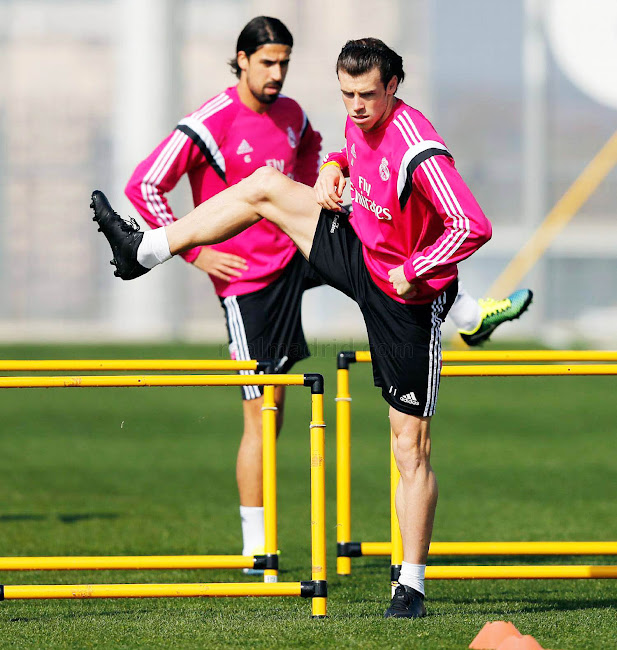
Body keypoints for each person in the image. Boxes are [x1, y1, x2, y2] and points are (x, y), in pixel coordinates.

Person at [91, 37, 494, 617]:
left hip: (406, 298)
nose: (356, 106)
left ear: (393, 87)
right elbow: (349, 150)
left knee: (409, 447)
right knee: (264, 186)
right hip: (360, 254)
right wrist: (332, 167)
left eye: (367, 95)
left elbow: (471, 224)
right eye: (347, 94)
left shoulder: (418, 147)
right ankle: (144, 250)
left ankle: (410, 586)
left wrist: (415, 270)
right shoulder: (358, 118)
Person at [123, 16, 323, 568]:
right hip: (246, 284)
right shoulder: (210, 121)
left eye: (284, 63)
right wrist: (195, 251)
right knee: (263, 414)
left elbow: (311, 152)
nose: (277, 73)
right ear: (241, 60)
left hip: (293, 261)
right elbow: (144, 184)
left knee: (370, 257)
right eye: (267, 62)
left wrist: (312, 202)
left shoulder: (294, 115)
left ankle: (463, 311)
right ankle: (256, 550)